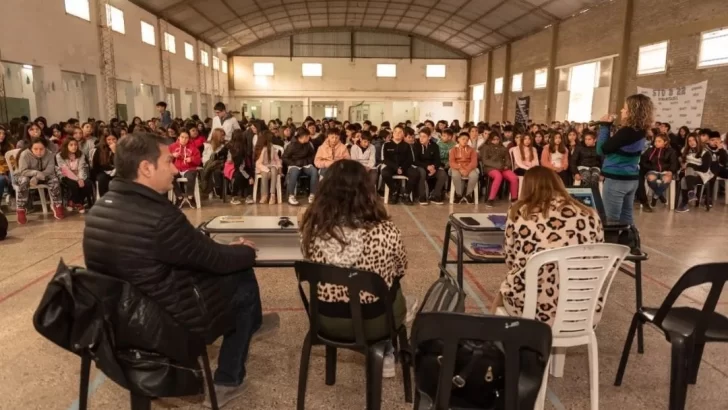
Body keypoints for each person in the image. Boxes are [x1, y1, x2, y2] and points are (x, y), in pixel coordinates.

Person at [83, 132, 276, 408]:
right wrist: (244, 251)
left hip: (118, 322)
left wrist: (212, 246)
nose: (176, 168)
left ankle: (252, 325)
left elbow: (176, 250)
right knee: (241, 276)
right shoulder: (160, 217)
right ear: (146, 168)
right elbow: (215, 260)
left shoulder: (99, 210)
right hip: (164, 327)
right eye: (169, 161)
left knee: (231, 263)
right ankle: (228, 380)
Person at [299, 159, 410, 378]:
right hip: (374, 321)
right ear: (367, 190)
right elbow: (401, 268)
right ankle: (386, 350)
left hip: (326, 319)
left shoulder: (311, 229)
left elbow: (307, 258)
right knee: (393, 289)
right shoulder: (385, 230)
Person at [494, 166, 604, 325]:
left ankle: (486, 343)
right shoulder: (590, 213)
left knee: (504, 291)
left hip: (532, 308)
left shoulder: (519, 212)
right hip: (584, 308)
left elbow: (511, 259)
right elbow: (597, 255)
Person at [597, 94, 653, 225]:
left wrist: (604, 126)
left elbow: (601, 149)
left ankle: (615, 245)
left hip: (617, 180)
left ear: (632, 112)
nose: (621, 111)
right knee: (626, 217)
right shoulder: (642, 130)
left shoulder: (627, 132)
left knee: (611, 220)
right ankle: (630, 244)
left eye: (624, 108)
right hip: (631, 179)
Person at [15, 137, 64, 224]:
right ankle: (21, 208)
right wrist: (35, 173)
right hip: (26, 175)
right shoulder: (24, 154)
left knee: (54, 180)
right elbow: (23, 171)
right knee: (24, 180)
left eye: (41, 149)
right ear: (31, 148)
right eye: (36, 149)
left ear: (45, 148)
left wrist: (37, 178)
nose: (39, 151)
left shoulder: (49, 154)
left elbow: (50, 170)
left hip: (44, 175)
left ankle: (57, 204)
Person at [381, 125, 419, 205]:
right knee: (384, 173)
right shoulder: (386, 145)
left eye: (400, 132)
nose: (398, 134)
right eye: (396, 132)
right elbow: (384, 159)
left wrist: (402, 168)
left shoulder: (407, 145)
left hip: (405, 167)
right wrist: (396, 168)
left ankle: (406, 194)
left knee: (415, 173)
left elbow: (410, 159)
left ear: (403, 134)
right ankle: (395, 191)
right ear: (392, 133)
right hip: (391, 167)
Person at [479, 132, 517, 207]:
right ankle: (491, 199)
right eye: (494, 139)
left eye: (497, 139)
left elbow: (507, 159)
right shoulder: (485, 147)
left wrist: (507, 165)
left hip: (503, 168)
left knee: (514, 178)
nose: (496, 141)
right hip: (490, 167)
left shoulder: (503, 148)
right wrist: (499, 166)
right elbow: (485, 161)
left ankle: (514, 198)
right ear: (490, 140)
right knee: (498, 176)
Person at [56, 138, 93, 213]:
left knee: (88, 184)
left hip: (79, 174)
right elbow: (65, 170)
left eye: (75, 145)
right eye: (71, 145)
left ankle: (72, 201)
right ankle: (79, 203)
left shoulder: (81, 154)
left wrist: (81, 178)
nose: (74, 147)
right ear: (66, 146)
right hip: (65, 175)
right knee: (74, 184)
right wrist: (77, 179)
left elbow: (81, 168)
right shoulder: (59, 155)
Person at [641, 134, 679, 208]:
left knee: (667, 179)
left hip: (666, 171)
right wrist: (650, 167)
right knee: (651, 178)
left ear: (665, 142)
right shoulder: (650, 150)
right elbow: (643, 161)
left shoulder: (671, 151)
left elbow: (674, 163)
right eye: (655, 141)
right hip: (652, 170)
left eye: (659, 141)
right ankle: (660, 195)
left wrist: (671, 171)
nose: (656, 143)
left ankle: (655, 196)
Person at [676, 134, 712, 212]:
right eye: (689, 141)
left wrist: (690, 165)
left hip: (701, 174)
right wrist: (682, 164)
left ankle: (684, 203)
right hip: (688, 173)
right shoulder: (685, 150)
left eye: (694, 140)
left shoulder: (706, 153)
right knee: (686, 174)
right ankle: (691, 193)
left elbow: (705, 169)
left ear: (698, 140)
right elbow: (683, 163)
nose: (692, 142)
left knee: (684, 179)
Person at [283, 127, 318, 205]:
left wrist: (305, 161)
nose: (309, 138)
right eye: (308, 136)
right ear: (304, 137)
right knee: (294, 172)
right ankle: (291, 196)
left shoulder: (308, 144)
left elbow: (313, 155)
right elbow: (285, 158)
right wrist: (294, 163)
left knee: (314, 171)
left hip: (306, 164)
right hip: (294, 164)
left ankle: (312, 194)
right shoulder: (291, 145)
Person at [413, 127, 446, 205]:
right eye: (420, 136)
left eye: (424, 136)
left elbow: (438, 160)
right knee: (422, 172)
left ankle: (436, 195)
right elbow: (415, 161)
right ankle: (422, 196)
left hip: (432, 167)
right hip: (420, 167)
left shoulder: (434, 146)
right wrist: (427, 166)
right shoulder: (416, 145)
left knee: (442, 174)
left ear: (429, 137)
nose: (421, 138)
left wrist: (434, 168)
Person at [169, 131, 202, 208]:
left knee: (191, 176)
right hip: (176, 168)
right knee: (170, 177)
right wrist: (172, 155)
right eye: (182, 137)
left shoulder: (193, 148)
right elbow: (164, 158)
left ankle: (190, 197)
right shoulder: (172, 147)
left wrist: (192, 159)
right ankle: (179, 197)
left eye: (186, 138)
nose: (184, 139)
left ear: (189, 139)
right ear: (178, 137)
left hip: (189, 168)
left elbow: (198, 161)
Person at [227, 129, 255, 206]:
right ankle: (234, 196)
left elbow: (242, 167)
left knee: (248, 174)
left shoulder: (242, 149)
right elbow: (238, 166)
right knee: (239, 176)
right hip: (233, 169)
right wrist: (249, 177)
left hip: (240, 168)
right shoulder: (231, 147)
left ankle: (248, 195)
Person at [449, 132, 479, 203]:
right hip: (457, 167)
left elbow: (474, 162)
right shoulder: (453, 150)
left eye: (467, 140)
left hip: (469, 167)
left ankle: (468, 194)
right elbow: (452, 162)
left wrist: (467, 170)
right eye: (463, 139)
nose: (465, 141)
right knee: (455, 175)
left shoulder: (472, 150)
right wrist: (460, 168)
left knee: (474, 175)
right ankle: (458, 195)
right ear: (458, 139)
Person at [254, 130, 282, 204]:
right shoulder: (259, 148)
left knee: (273, 169)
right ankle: (264, 195)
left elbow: (277, 159)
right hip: (262, 166)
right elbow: (258, 163)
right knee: (265, 173)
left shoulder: (271, 146)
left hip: (272, 165)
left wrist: (279, 167)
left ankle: (272, 195)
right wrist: (266, 169)